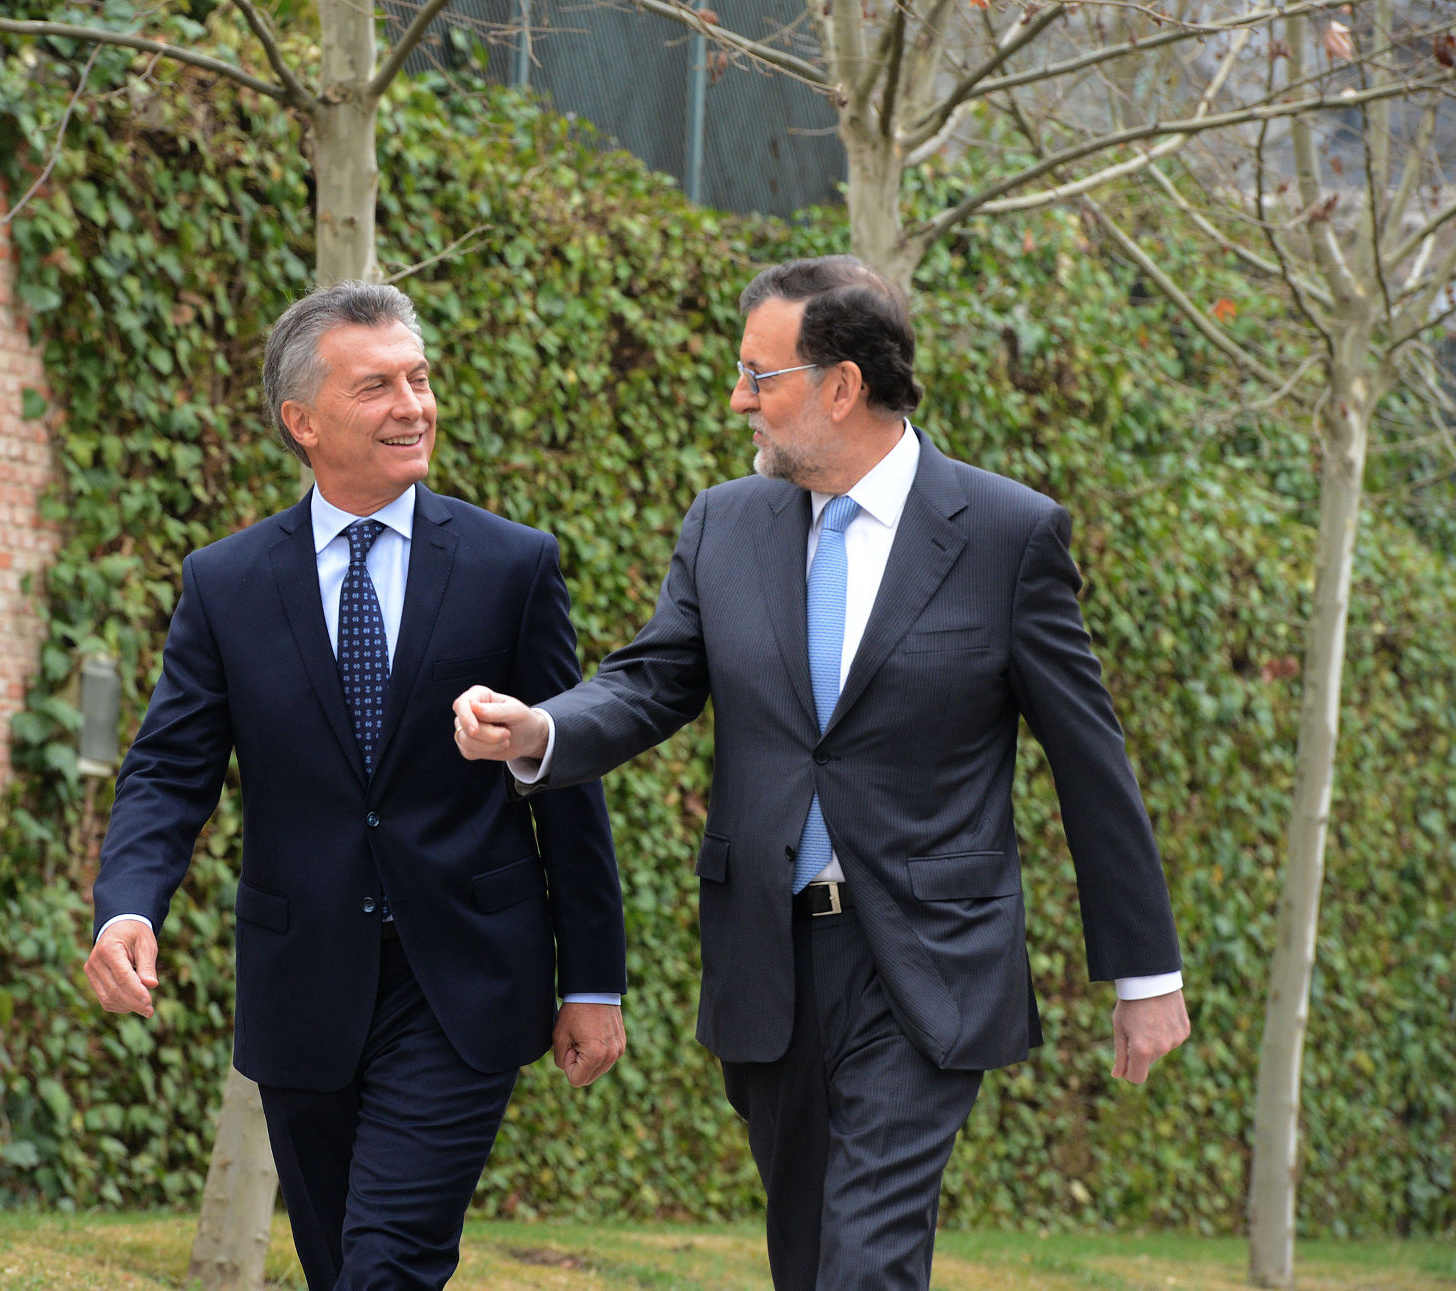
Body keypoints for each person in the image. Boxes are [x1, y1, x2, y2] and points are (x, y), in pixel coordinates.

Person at [451, 257, 1189, 1291]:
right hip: (769, 958)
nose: (736, 397)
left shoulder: (1007, 535)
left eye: (758, 375)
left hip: (925, 961)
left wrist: (1143, 972)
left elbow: (1087, 759)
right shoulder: (725, 522)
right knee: (807, 1258)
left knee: (864, 1260)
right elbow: (653, 679)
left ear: (839, 386)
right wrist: (538, 729)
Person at [84, 281, 627, 1291]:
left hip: (463, 980)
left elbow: (566, 781)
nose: (412, 405)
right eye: (376, 385)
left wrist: (591, 979)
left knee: (388, 1265)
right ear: (302, 421)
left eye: (418, 379)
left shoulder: (512, 567)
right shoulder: (227, 583)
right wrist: (126, 906)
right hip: (304, 989)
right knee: (342, 1265)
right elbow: (169, 768)